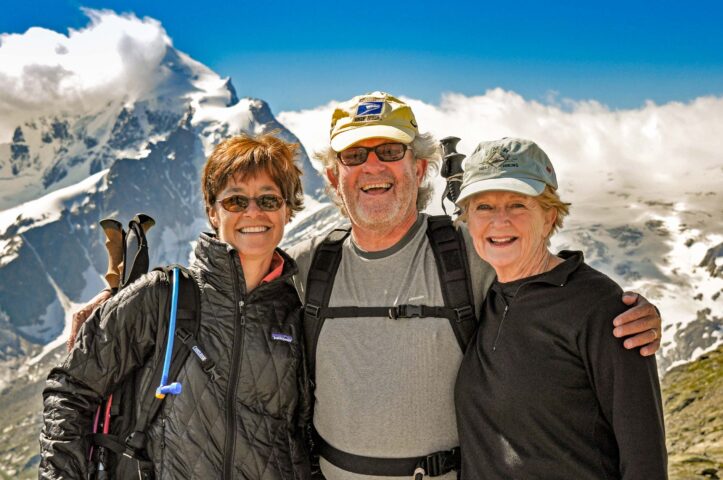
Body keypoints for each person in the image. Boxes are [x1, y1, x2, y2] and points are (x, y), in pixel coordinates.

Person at [68, 92, 663, 479]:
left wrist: (629, 310)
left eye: (389, 152)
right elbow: (233, 272)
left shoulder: (469, 252)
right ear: (334, 177)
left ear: (421, 167)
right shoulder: (308, 263)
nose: (373, 167)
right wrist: (116, 309)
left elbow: (543, 273)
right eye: (355, 157)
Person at [40, 134, 311, 479]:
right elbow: (71, 390)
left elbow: (301, 437)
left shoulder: (295, 312)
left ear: (287, 210)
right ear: (213, 213)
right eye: (235, 201)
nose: (253, 212)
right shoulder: (163, 295)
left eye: (269, 200)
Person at [453, 137, 667, 478]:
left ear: (550, 216)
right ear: (467, 220)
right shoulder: (483, 293)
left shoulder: (600, 307)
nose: (500, 220)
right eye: (483, 207)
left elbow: (644, 456)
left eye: (518, 204)